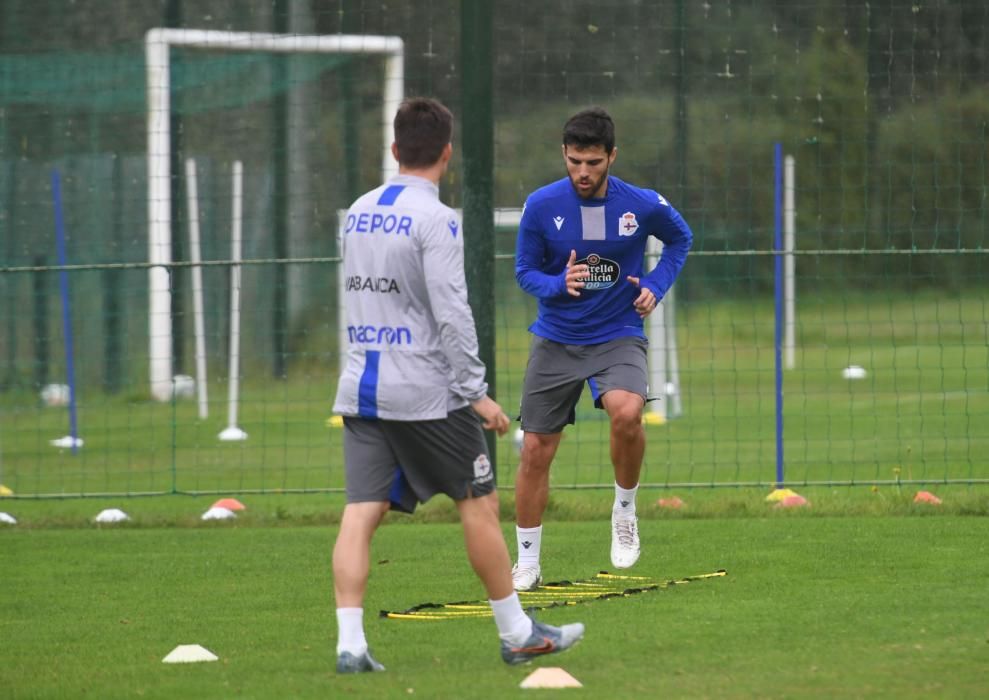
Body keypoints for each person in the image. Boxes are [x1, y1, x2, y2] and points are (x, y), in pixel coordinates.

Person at [331, 97, 584, 673]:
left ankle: (350, 645)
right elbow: (452, 312)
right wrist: (477, 393)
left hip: (361, 387)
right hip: (426, 393)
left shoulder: (357, 212)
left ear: (395, 150)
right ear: (447, 153)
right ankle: (518, 633)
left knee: (360, 512)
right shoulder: (437, 220)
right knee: (477, 501)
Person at [511, 107, 693, 591]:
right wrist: (557, 282)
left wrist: (655, 284)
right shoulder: (540, 205)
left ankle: (625, 510)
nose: (583, 173)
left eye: (593, 162)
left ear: (612, 156)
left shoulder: (643, 204)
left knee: (627, 413)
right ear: (563, 155)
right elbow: (524, 271)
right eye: (574, 162)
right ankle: (527, 560)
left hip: (618, 332)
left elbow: (681, 239)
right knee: (534, 449)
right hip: (556, 338)